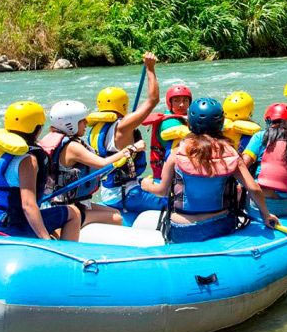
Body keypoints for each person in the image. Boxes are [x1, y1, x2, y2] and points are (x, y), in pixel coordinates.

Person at [141, 98, 279, 242]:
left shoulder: (176, 154)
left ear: (190, 124)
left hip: (183, 227)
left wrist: (147, 185)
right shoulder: (231, 153)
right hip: (220, 224)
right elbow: (253, 188)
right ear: (220, 123)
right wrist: (266, 215)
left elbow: (162, 191)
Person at [0, 101, 81, 240]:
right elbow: (28, 205)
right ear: (37, 128)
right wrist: (47, 240)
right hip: (13, 227)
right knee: (73, 213)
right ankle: (65, 255)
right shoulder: (27, 160)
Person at [39, 100, 144, 226]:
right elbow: (102, 163)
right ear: (70, 124)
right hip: (66, 206)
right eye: (83, 121)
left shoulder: (55, 138)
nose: (86, 123)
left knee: (115, 212)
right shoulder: (72, 146)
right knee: (116, 218)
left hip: (65, 202)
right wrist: (132, 148)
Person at [88, 52, 164, 213]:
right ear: (123, 105)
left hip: (109, 193)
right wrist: (150, 69)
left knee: (154, 183)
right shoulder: (123, 127)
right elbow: (153, 100)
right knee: (174, 199)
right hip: (127, 194)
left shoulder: (95, 129)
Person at [143, 84, 192, 179]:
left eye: (185, 100)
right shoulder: (168, 121)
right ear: (170, 103)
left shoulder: (188, 117)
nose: (181, 104)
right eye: (176, 101)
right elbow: (180, 131)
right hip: (167, 174)